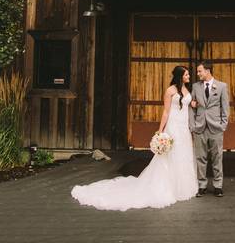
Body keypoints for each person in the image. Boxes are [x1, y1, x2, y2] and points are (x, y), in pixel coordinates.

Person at [71, 66, 197, 210]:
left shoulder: (187, 90)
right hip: (173, 126)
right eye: (186, 74)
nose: (188, 76)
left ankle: (182, 187)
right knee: (171, 156)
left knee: (183, 155)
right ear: (180, 76)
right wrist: (160, 131)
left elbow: (192, 104)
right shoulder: (170, 91)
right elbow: (166, 112)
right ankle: (169, 187)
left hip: (183, 128)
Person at [189, 61, 230, 197]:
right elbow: (192, 107)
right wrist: (193, 125)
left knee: (217, 157)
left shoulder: (222, 86)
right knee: (201, 158)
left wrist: (223, 125)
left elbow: (225, 108)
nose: (198, 73)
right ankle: (202, 186)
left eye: (200, 71)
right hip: (199, 127)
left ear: (207, 71)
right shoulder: (195, 86)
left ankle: (218, 186)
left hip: (216, 127)